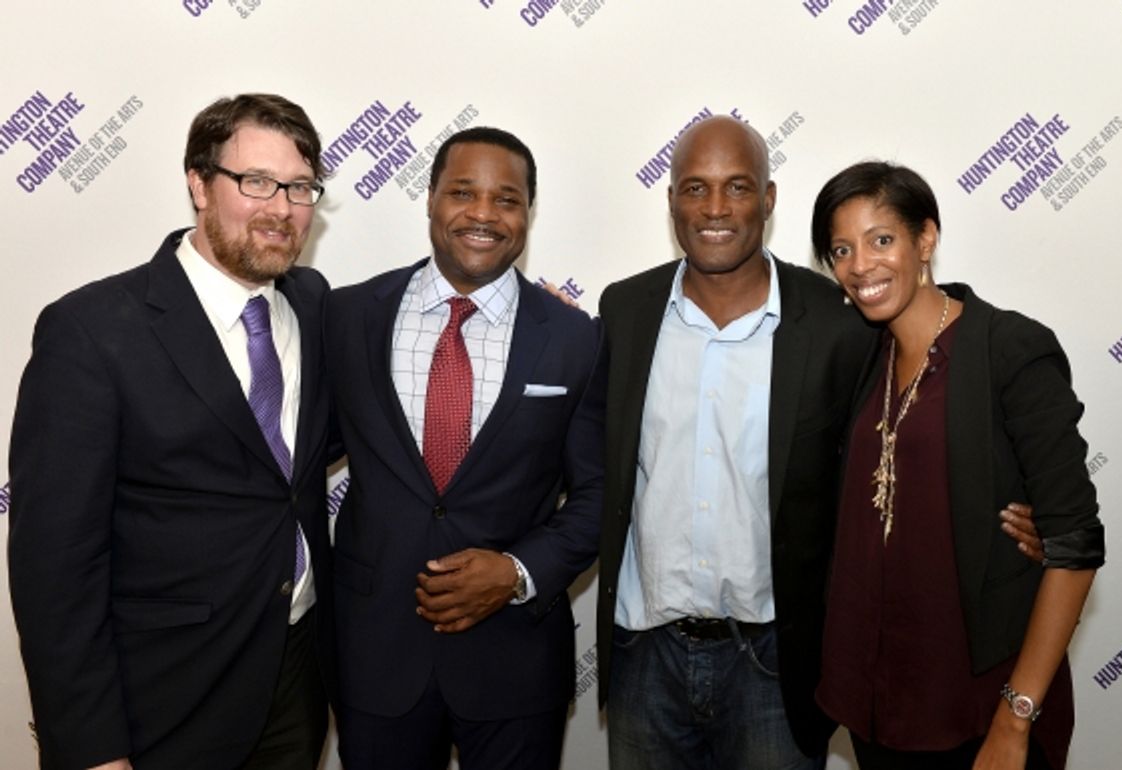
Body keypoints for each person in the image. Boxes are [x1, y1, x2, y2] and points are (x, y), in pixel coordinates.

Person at [8, 93, 334, 769]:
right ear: (198, 183)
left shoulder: (313, 303)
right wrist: (92, 748)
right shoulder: (91, 332)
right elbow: (54, 571)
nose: (281, 208)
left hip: (296, 679)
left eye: (299, 187)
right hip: (159, 702)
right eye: (256, 182)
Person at [595, 115, 873, 769]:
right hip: (645, 656)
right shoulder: (623, 311)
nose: (715, 209)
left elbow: (892, 460)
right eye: (695, 188)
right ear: (671, 201)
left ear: (769, 201)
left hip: (777, 662)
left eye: (737, 187)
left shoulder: (837, 324)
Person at [325, 126, 605, 770]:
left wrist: (517, 572)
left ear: (528, 214)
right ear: (428, 200)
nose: (483, 213)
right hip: (375, 654)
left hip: (515, 661)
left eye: (506, 199)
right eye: (462, 192)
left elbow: (601, 492)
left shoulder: (575, 339)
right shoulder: (346, 318)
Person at [811, 161, 1105, 770]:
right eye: (841, 249)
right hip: (877, 709)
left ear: (926, 239)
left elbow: (1075, 545)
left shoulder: (1008, 349)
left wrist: (1014, 720)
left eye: (881, 239)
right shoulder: (862, 357)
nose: (860, 264)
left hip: (978, 711)